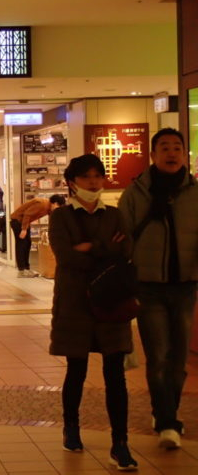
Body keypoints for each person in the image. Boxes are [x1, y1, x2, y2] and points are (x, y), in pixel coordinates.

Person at [49, 154, 138, 471]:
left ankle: (120, 442)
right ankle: (71, 428)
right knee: (77, 370)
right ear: (72, 183)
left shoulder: (114, 215)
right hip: (74, 304)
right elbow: (66, 257)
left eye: (98, 176)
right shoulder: (61, 217)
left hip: (111, 303)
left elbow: (126, 252)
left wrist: (89, 247)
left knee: (116, 375)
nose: (93, 182)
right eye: (86, 177)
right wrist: (106, 249)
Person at [118, 127, 198, 449]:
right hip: (147, 285)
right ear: (152, 155)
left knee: (178, 360)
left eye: (177, 147)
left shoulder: (195, 192)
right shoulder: (136, 192)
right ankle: (167, 422)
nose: (171, 153)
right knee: (159, 355)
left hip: (185, 285)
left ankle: (166, 411)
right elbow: (122, 238)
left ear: (184, 154)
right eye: (164, 147)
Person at [10, 194, 65, 277]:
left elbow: (52, 218)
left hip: (24, 223)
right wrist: (24, 229)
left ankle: (26, 269)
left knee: (27, 243)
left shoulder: (49, 208)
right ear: (55, 203)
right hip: (17, 221)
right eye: (58, 206)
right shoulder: (42, 204)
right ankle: (21, 270)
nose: (58, 209)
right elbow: (27, 214)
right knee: (21, 245)